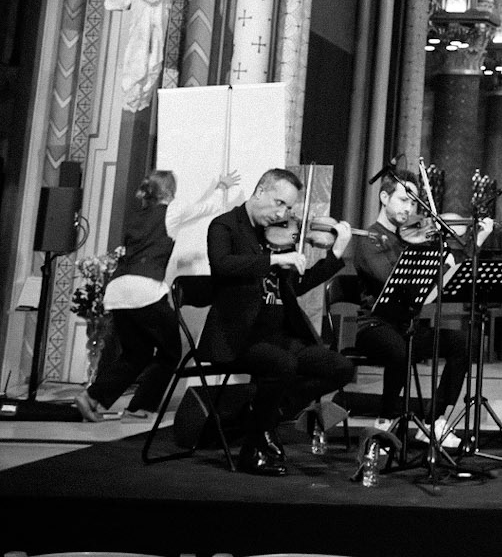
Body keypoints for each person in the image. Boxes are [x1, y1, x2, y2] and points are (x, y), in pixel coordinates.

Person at [200, 168, 356, 474]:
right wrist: (273, 259)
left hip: (281, 336)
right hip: (240, 336)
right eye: (279, 203)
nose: (283, 213)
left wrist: (335, 255)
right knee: (282, 364)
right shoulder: (225, 226)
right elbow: (222, 266)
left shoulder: (277, 236)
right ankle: (251, 450)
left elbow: (294, 286)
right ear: (260, 191)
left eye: (288, 208)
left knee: (340, 368)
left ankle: (263, 418)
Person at [72, 166, 238, 422]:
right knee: (170, 353)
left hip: (118, 290)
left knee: (135, 354)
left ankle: (93, 397)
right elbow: (204, 208)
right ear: (170, 191)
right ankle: (139, 408)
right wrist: (222, 187)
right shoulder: (169, 212)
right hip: (145, 291)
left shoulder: (139, 216)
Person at [349, 169, 475, 453]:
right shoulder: (370, 239)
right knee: (398, 349)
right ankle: (387, 419)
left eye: (414, 204)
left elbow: (435, 285)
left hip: (406, 326)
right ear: (384, 197)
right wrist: (421, 254)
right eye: (403, 200)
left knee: (462, 343)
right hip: (373, 326)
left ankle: (433, 421)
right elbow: (392, 280)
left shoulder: (412, 239)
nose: (409, 209)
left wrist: (455, 255)